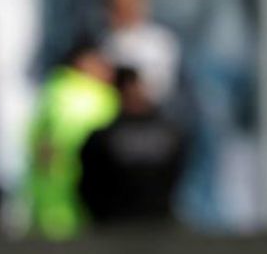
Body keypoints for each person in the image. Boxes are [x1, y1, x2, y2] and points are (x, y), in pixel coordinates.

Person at [25, 35, 119, 239]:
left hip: (47, 199)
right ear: (84, 62)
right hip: (85, 200)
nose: (108, 67)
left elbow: (35, 142)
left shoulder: (52, 90)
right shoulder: (100, 96)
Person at [78, 66, 186, 227]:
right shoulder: (102, 138)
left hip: (157, 225)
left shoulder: (170, 133)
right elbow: (90, 184)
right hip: (115, 225)